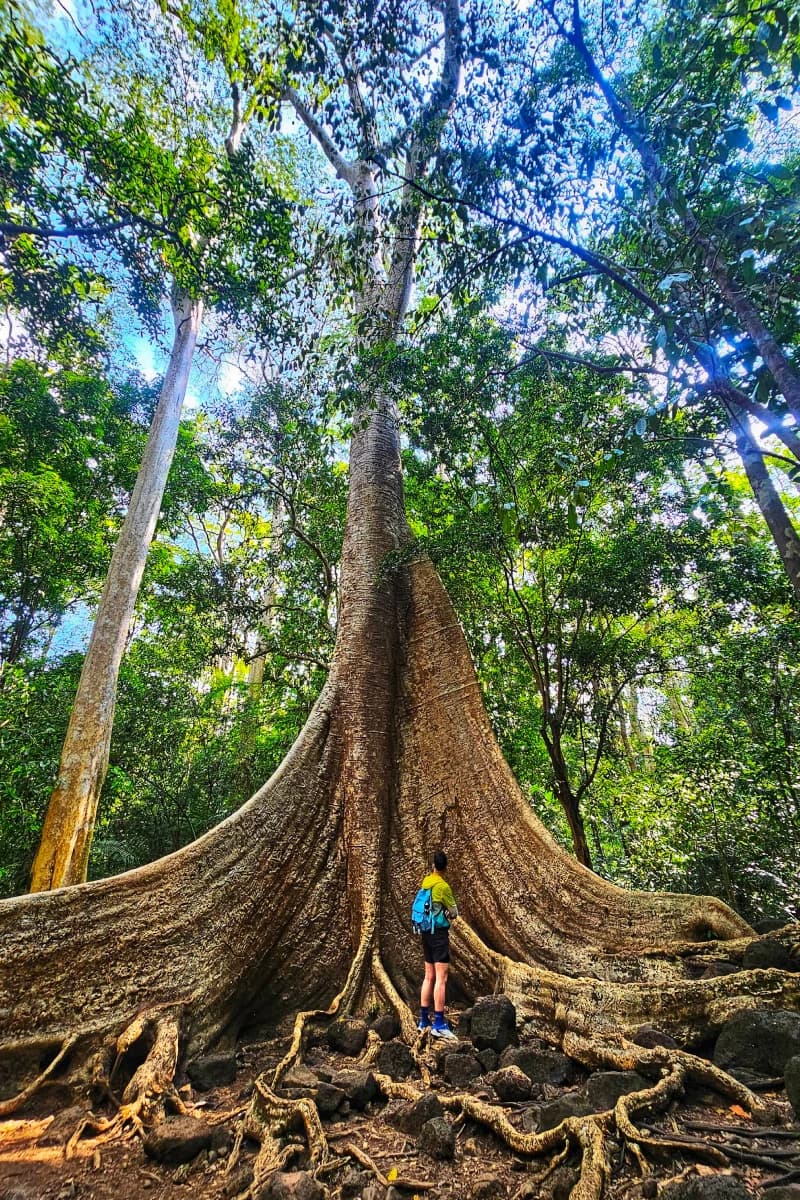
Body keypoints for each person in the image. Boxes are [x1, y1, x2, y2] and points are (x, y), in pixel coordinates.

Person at [418, 849, 459, 1040]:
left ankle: (423, 1020)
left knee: (429, 976)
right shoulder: (442, 887)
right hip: (439, 935)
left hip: (425, 933)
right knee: (441, 979)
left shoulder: (426, 883)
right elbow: (454, 912)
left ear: (433, 865)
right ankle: (439, 1023)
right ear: (446, 867)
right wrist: (447, 913)